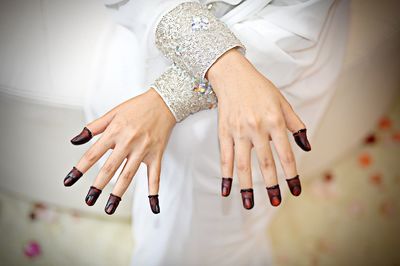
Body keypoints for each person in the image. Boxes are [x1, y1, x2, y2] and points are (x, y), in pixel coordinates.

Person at [63, 0, 349, 265]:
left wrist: (168, 96)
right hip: (152, 26)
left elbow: (295, 21)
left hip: (275, 51)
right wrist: (218, 67)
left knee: (209, 204)